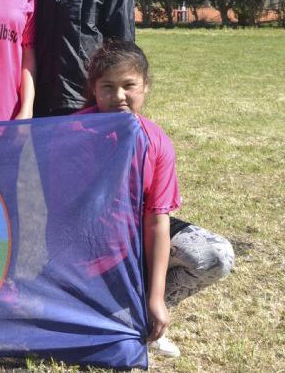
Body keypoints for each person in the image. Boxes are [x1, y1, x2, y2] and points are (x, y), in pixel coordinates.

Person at [80, 39, 234, 359]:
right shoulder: (74, 133)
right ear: (93, 89)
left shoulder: (156, 141)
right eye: (107, 86)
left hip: (140, 231)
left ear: (145, 87)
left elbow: (156, 220)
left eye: (129, 85)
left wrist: (156, 298)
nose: (119, 95)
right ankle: (120, 311)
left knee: (217, 256)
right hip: (90, 244)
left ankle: (146, 317)